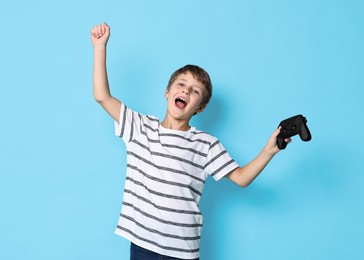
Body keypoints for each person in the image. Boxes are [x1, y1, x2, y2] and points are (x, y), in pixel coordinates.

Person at [91, 23, 290, 260]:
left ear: (201, 107)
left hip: (182, 253)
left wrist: (269, 150)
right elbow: (102, 96)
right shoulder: (140, 127)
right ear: (168, 91)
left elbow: (241, 178)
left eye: (195, 91)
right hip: (143, 247)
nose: (186, 92)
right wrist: (100, 48)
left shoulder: (205, 144)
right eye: (181, 85)